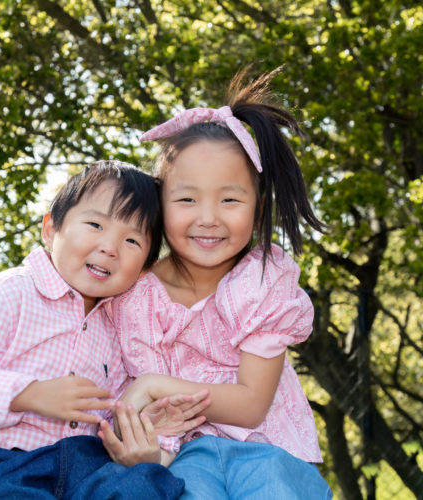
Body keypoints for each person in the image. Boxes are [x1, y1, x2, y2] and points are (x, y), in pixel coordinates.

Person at [101, 68, 333, 498]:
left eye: (230, 199)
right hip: (181, 458)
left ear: (259, 206)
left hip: (268, 453)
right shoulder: (131, 293)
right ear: (161, 203)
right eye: (187, 199)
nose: (208, 217)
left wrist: (155, 386)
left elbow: (250, 406)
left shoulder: (263, 283)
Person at [0, 160, 208, 500]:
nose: (110, 247)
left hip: (84, 469)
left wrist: (146, 431)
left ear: (144, 270)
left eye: (132, 240)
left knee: (147, 485)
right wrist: (27, 394)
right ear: (50, 229)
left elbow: (110, 412)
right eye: (94, 224)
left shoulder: (119, 330)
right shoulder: (6, 294)